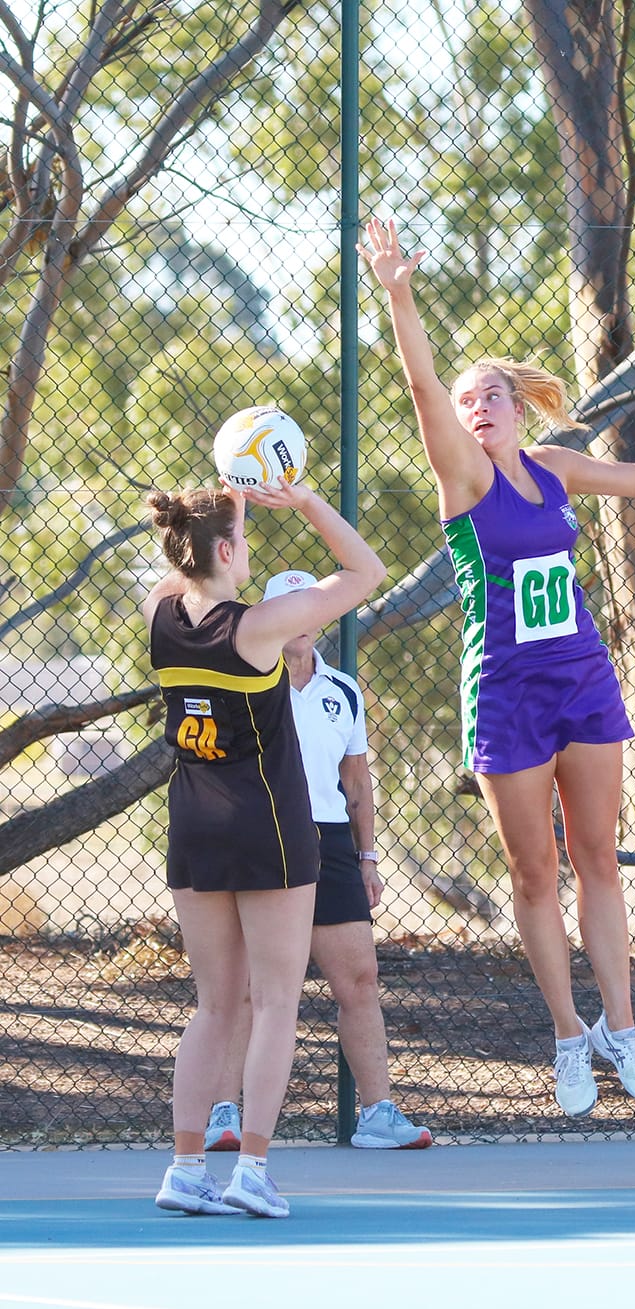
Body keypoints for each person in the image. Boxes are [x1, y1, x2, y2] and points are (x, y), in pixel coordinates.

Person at [358, 216, 635, 1118]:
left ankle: (622, 1027)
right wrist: (398, 292)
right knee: (532, 875)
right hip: (507, 692)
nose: (475, 409)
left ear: (517, 407)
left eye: (491, 398)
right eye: (467, 402)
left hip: (583, 678)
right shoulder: (462, 483)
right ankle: (566, 1038)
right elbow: (418, 382)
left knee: (597, 855)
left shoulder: (552, 469)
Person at [144, 475, 385, 1217]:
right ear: (224, 548)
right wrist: (305, 502)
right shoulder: (257, 628)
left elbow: (180, 572)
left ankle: (185, 1170)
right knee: (278, 1002)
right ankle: (252, 1170)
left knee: (214, 1006)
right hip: (269, 828)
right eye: (241, 540)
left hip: (194, 825)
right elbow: (365, 573)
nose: (247, 549)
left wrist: (225, 514)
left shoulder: (160, 614)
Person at [204, 568, 433, 1152]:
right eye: (288, 607)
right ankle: (225, 1116)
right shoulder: (245, 682)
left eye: (309, 607)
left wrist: (367, 857)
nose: (299, 619)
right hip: (263, 837)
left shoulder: (343, 691)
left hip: (329, 842)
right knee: (251, 987)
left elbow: (356, 780)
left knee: (359, 977)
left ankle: (377, 1115)